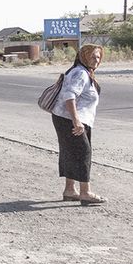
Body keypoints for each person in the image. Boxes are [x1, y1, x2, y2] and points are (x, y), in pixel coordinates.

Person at [51, 44, 105, 205]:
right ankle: (85, 192)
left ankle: (69, 190)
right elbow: (69, 96)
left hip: (70, 118)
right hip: (71, 119)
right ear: (84, 57)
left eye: (98, 57)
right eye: (93, 56)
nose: (96, 60)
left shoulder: (84, 72)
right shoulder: (80, 73)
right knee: (83, 153)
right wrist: (76, 121)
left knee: (71, 153)